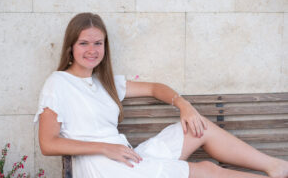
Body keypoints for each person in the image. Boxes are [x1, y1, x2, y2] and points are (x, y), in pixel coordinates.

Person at [33, 12, 288, 178]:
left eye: (98, 43)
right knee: (206, 171)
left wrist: (183, 104)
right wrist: (104, 148)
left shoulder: (106, 83)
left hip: (128, 158)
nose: (92, 50)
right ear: (70, 47)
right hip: (101, 168)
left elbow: (155, 88)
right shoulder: (58, 83)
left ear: (105, 47)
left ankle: (276, 167)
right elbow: (48, 144)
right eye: (84, 43)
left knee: (198, 126)